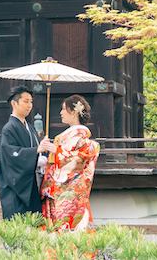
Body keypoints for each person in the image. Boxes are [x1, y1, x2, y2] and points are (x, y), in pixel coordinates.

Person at [40, 94, 100, 232]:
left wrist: (56, 151)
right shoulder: (63, 137)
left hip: (71, 192)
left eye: (63, 109)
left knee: (69, 224)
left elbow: (78, 162)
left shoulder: (82, 138)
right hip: (56, 191)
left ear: (73, 112)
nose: (61, 113)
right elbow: (54, 161)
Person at [0, 85, 56, 219]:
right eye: (25, 101)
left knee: (34, 228)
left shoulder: (30, 128)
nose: (29, 105)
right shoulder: (9, 128)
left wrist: (43, 152)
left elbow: (38, 152)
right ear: (14, 103)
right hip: (17, 188)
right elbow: (11, 155)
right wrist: (36, 151)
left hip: (32, 185)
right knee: (19, 229)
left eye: (31, 102)